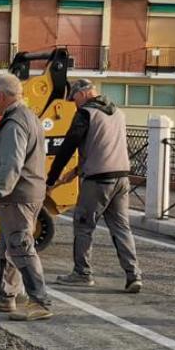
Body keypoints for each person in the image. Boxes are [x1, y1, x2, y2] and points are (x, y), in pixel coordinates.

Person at [48, 78, 142, 293]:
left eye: (73, 99)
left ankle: (82, 273)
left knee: (83, 225)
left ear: (82, 94)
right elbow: (102, 147)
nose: (73, 103)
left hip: (98, 181)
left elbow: (67, 147)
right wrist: (73, 174)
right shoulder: (117, 112)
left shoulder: (85, 114)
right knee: (121, 227)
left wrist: (51, 179)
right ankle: (133, 274)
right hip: (121, 178)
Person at [0, 72, 52, 322]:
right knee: (9, 245)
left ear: (1, 95)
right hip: (23, 192)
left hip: (18, 195)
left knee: (20, 245)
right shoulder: (27, 116)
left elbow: (11, 165)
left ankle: (39, 301)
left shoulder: (15, 123)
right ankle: (5, 296)